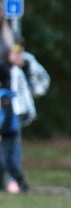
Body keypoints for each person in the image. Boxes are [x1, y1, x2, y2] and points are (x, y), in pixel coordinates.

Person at [0, 47, 31, 193]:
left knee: (7, 161)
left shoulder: (5, 96)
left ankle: (21, 183)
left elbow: (7, 116)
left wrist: (1, 132)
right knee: (3, 160)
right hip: (5, 130)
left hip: (8, 131)